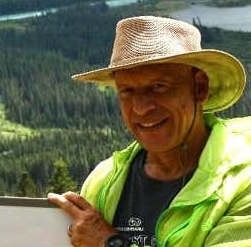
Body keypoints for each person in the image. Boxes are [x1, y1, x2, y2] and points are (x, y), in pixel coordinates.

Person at [48, 15, 251, 247]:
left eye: (159, 87)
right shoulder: (104, 180)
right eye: (127, 91)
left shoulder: (242, 184)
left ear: (199, 87)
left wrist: (111, 243)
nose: (142, 107)